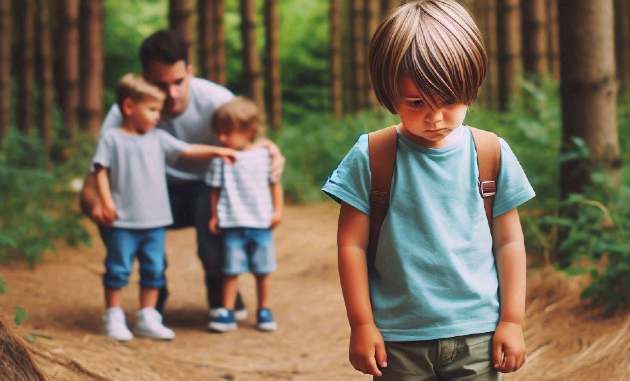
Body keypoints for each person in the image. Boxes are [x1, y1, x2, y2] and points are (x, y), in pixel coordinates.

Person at [322, 1, 534, 379]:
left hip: (477, 335)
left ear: (471, 85)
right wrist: (362, 324)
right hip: (399, 339)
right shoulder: (371, 156)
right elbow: (350, 245)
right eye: (416, 102)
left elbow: (509, 242)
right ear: (389, 91)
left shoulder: (490, 154)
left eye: (449, 101)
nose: (435, 118)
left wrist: (512, 321)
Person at [80, 30, 285, 320]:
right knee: (106, 200)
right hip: (152, 193)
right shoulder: (125, 113)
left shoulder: (217, 100)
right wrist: (97, 205)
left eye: (179, 82)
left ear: (190, 71)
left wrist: (271, 149)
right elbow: (95, 179)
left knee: (212, 210)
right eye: (160, 85)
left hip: (208, 189)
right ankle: (154, 289)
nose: (172, 94)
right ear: (144, 79)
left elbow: (250, 138)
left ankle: (221, 290)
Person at [94, 74, 236, 341]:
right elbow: (100, 169)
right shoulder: (112, 139)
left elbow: (187, 150)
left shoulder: (158, 138)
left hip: (155, 221)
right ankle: (112, 314)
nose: (158, 116)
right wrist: (106, 200)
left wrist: (218, 152)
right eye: (152, 109)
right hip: (123, 221)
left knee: (154, 269)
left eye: (158, 110)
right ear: (128, 107)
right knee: (118, 268)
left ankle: (148, 315)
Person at [204, 97, 283, 333]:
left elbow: (274, 184)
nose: (221, 138)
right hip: (232, 223)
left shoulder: (265, 156)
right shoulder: (222, 159)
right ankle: (227, 311)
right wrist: (215, 215)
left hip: (260, 223)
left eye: (227, 133)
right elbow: (215, 190)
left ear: (248, 131)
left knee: (263, 270)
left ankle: (264, 310)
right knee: (230, 270)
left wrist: (277, 210)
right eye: (219, 132)